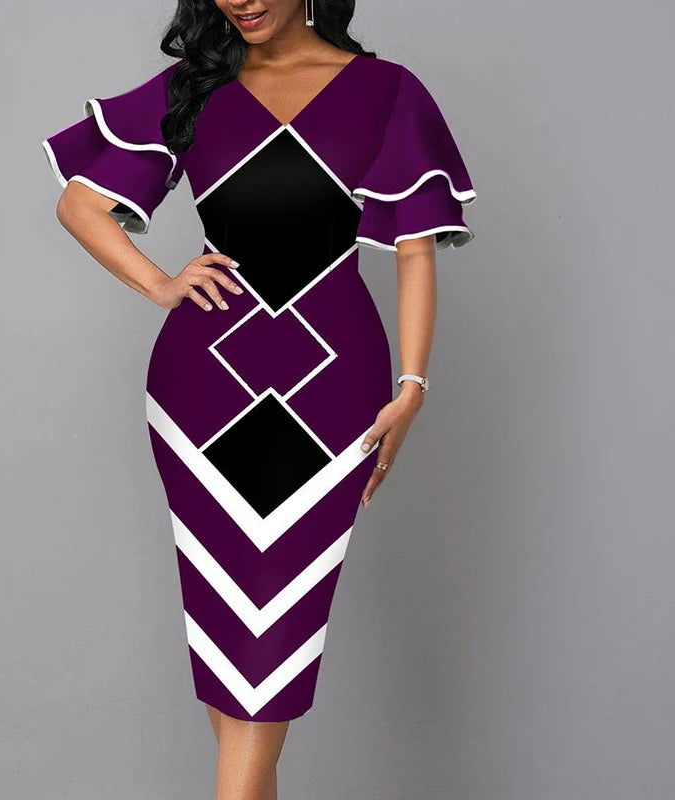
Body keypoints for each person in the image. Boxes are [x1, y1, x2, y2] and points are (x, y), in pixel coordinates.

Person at [41, 0, 476, 796]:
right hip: (199, 391)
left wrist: (412, 387)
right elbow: (79, 202)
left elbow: (414, 254)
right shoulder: (198, 85)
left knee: (271, 646)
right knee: (230, 651)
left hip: (335, 391)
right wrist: (160, 284)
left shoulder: (386, 90)